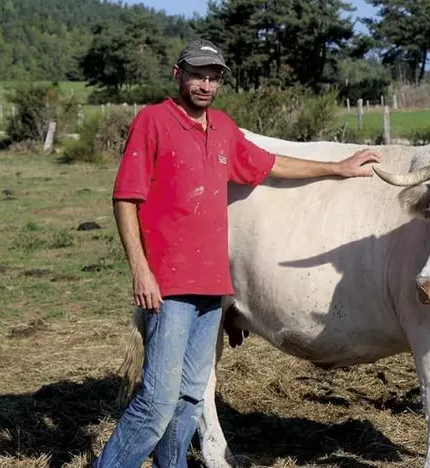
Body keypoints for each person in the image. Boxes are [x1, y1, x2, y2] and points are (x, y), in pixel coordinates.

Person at [92, 39, 380, 467]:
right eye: (197, 74)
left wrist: (336, 168)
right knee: (156, 401)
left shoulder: (223, 128)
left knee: (191, 397)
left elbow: (270, 163)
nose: (205, 84)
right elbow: (125, 198)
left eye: (213, 77)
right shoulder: (153, 122)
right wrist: (141, 270)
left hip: (213, 288)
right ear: (178, 74)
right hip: (168, 285)